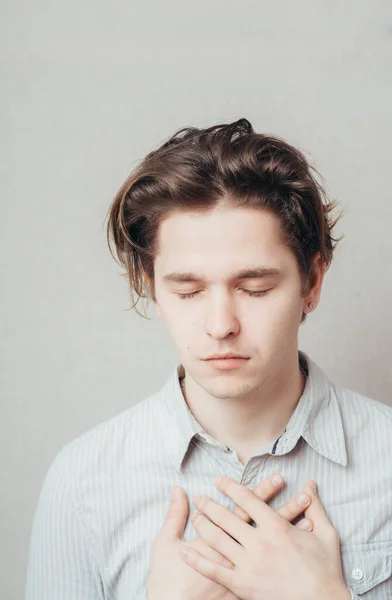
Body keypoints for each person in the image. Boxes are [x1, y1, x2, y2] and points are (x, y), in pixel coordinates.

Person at [25, 118, 392, 600]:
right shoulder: (82, 481)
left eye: (254, 288)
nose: (221, 325)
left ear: (312, 283)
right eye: (189, 290)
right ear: (149, 288)